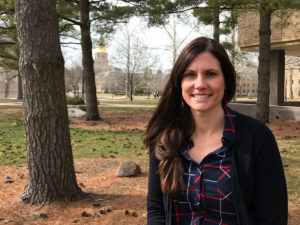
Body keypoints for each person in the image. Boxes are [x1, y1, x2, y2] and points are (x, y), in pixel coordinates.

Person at [144, 37, 287, 225]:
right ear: (179, 83)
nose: (200, 84)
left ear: (226, 81)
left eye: (211, 74)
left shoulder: (256, 137)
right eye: (190, 75)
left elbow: (272, 217)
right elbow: (157, 210)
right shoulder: (166, 138)